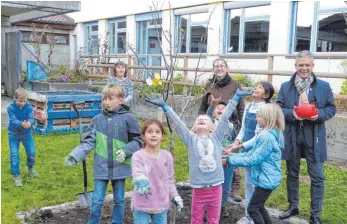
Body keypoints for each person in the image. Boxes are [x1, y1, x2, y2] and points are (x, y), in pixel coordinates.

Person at [144, 89, 253, 224]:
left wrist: (235, 98)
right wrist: (165, 107)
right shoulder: (190, 139)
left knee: (213, 220)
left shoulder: (216, 137)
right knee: (196, 219)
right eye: (198, 120)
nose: (201, 120)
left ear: (212, 127)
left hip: (216, 189)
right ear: (194, 127)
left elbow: (224, 118)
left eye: (205, 120)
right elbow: (178, 123)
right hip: (199, 190)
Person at [64, 85, 142, 224]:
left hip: (120, 166)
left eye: (110, 99)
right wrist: (76, 154)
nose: (106, 102)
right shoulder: (97, 120)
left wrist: (126, 151)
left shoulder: (129, 118)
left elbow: (138, 140)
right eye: (104, 99)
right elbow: (89, 141)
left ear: (120, 100)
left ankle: (117, 222)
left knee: (119, 200)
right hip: (101, 167)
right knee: (97, 201)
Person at [276, 50, 336, 224]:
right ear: (295, 66)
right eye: (300, 65)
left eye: (307, 65)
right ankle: (293, 206)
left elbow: (331, 108)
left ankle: (315, 215)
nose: (304, 68)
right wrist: (291, 113)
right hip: (293, 135)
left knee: (317, 176)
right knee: (292, 173)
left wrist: (320, 115)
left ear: (312, 66)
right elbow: (278, 108)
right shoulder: (286, 87)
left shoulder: (323, 86)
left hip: (314, 136)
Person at [223, 103, 285, 224]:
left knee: (252, 209)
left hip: (266, 180)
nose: (256, 119)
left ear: (268, 118)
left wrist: (230, 160)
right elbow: (250, 154)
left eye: (259, 116)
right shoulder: (269, 133)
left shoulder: (266, 137)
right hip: (267, 178)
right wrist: (232, 156)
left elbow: (253, 159)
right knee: (259, 206)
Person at [198, 58, 245, 208]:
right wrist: (201, 121)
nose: (219, 68)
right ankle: (213, 190)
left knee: (231, 158)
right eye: (216, 66)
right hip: (212, 127)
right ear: (213, 69)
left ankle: (233, 189)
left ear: (227, 68)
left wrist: (242, 127)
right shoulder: (209, 86)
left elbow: (241, 107)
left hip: (232, 125)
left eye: (222, 66)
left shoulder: (235, 85)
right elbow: (202, 106)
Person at [227, 82, 275, 224]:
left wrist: (239, 146)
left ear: (266, 95)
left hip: (258, 151)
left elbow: (258, 137)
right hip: (246, 149)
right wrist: (235, 143)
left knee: (255, 185)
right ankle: (248, 216)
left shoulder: (266, 110)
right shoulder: (248, 106)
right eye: (256, 86)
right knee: (248, 184)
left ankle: (254, 216)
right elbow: (243, 129)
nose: (255, 88)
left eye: (260, 87)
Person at [131, 119, 183, 224]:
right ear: (143, 136)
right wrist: (141, 179)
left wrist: (174, 195)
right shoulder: (138, 156)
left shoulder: (167, 156)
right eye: (149, 132)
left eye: (157, 132)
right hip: (142, 203)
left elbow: (170, 179)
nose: (153, 135)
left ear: (162, 136)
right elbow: (137, 172)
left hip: (161, 203)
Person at [206, 97, 238, 217]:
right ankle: (207, 208)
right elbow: (208, 114)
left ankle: (222, 207)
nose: (220, 110)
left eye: (223, 109)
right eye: (217, 108)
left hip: (226, 160)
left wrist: (233, 153)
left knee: (226, 185)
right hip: (212, 159)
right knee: (211, 185)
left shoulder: (231, 126)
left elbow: (235, 141)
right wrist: (212, 104)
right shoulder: (210, 123)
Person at [7, 87, 38, 187]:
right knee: (14, 154)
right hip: (13, 134)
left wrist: (29, 122)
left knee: (31, 152)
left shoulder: (28, 106)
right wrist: (22, 124)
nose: (23, 103)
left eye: (25, 101)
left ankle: (30, 168)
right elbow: (13, 120)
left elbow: (31, 117)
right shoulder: (10, 107)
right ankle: (16, 176)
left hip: (26, 134)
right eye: (20, 101)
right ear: (14, 98)